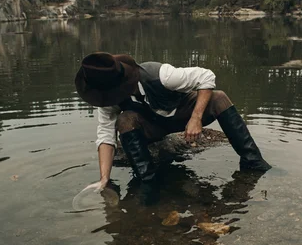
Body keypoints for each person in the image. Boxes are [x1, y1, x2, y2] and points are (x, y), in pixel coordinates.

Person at [75, 52, 271, 190]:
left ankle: (252, 161)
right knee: (125, 120)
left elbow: (207, 76)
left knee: (218, 97)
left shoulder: (162, 75)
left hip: (182, 114)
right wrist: (103, 180)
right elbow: (106, 136)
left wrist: (196, 118)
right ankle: (148, 180)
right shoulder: (108, 100)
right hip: (152, 126)